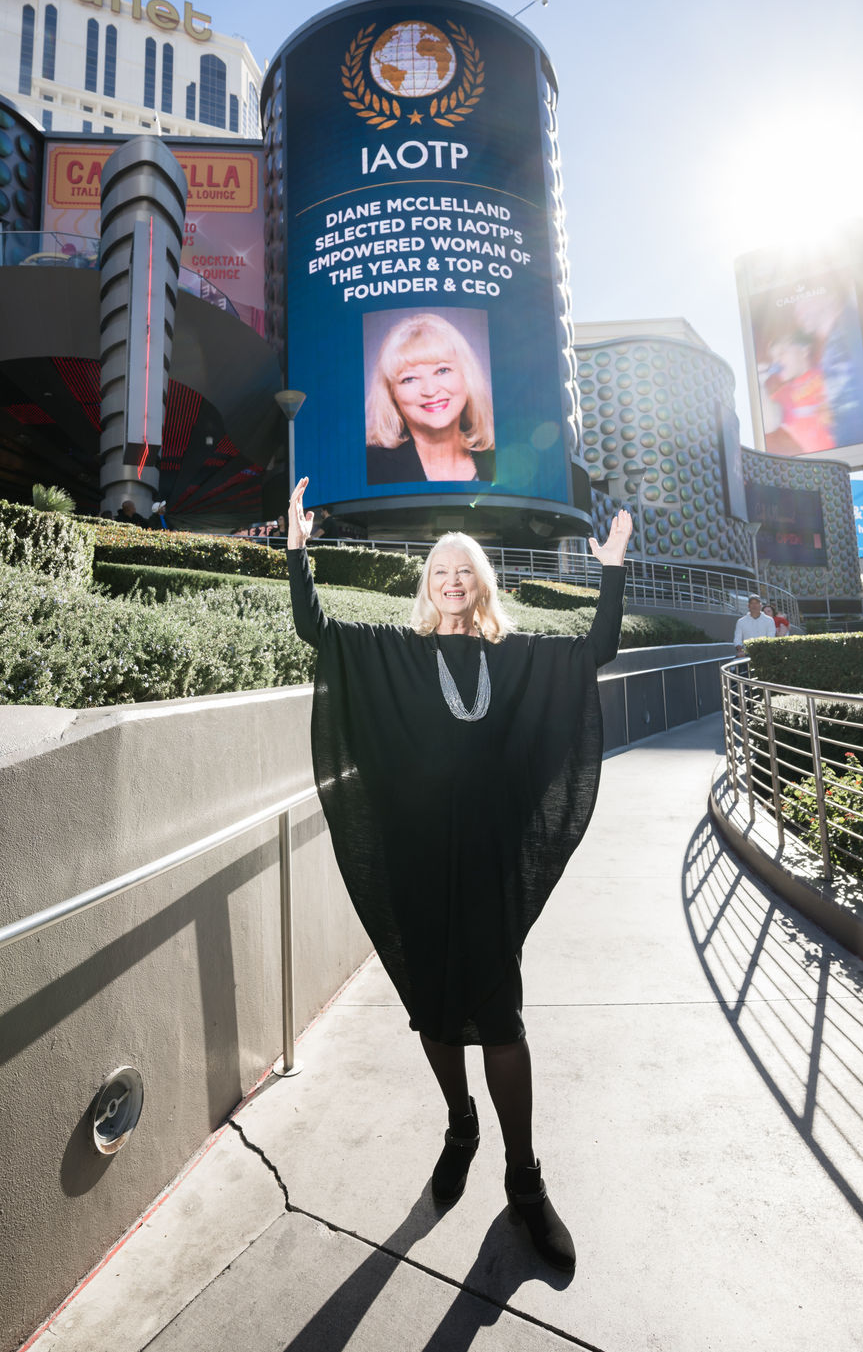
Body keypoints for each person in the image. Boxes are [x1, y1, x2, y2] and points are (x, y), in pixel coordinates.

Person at [287, 475, 631, 1271]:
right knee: (435, 1014)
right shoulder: (397, 653)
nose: (451, 581)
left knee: (501, 1021)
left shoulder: (514, 658)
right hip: (416, 863)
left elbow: (595, 651)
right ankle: (460, 1123)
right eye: (440, 570)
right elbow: (316, 629)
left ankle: (525, 1179)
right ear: (427, 584)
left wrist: (611, 567)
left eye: (464, 570)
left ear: (481, 583)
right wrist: (298, 550)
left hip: (487, 866)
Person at [366, 313, 495, 484]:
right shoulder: (371, 468)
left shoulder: (501, 456)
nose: (430, 390)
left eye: (442, 370)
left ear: (467, 377)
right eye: (409, 379)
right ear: (391, 394)